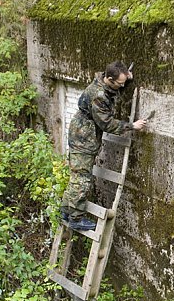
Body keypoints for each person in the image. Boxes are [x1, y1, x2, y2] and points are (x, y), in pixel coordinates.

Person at [61, 61, 146, 231]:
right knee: (82, 178)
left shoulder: (105, 79)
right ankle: (76, 218)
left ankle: (65, 211)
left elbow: (117, 77)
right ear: (109, 79)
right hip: (83, 137)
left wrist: (126, 77)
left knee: (77, 175)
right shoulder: (99, 95)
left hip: (82, 132)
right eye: (120, 84)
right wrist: (132, 126)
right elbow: (106, 124)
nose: (122, 86)